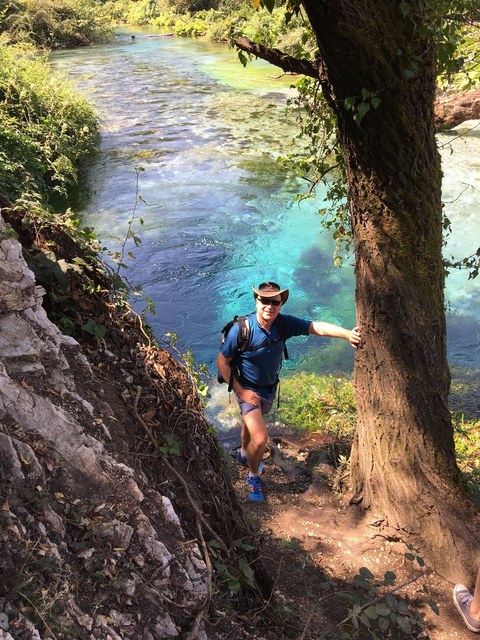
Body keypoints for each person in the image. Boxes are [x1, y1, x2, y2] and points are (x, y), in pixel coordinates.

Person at [216, 281, 361, 502]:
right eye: (264, 300)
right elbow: (222, 363)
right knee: (261, 437)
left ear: (281, 304)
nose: (269, 306)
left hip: (269, 388)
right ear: (256, 301)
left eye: (275, 302)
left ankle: (244, 455)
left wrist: (347, 334)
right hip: (247, 389)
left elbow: (316, 327)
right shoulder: (241, 330)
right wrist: (242, 392)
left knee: (252, 425)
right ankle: (253, 477)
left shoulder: (283, 324)